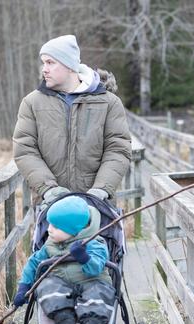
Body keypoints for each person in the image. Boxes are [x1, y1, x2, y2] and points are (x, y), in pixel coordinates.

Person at [13, 34, 131, 209]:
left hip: (98, 207)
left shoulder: (108, 102)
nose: (44, 69)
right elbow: (25, 150)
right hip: (51, 208)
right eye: (44, 63)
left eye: (50, 63)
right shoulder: (32, 103)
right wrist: (49, 189)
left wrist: (100, 190)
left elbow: (118, 149)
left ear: (69, 66)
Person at [13, 195, 115, 324]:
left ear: (73, 230)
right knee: (46, 285)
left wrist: (83, 256)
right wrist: (24, 287)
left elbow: (96, 268)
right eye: (49, 224)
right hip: (61, 286)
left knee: (99, 292)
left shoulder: (95, 243)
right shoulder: (50, 246)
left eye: (55, 226)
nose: (49, 229)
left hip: (92, 281)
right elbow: (33, 263)